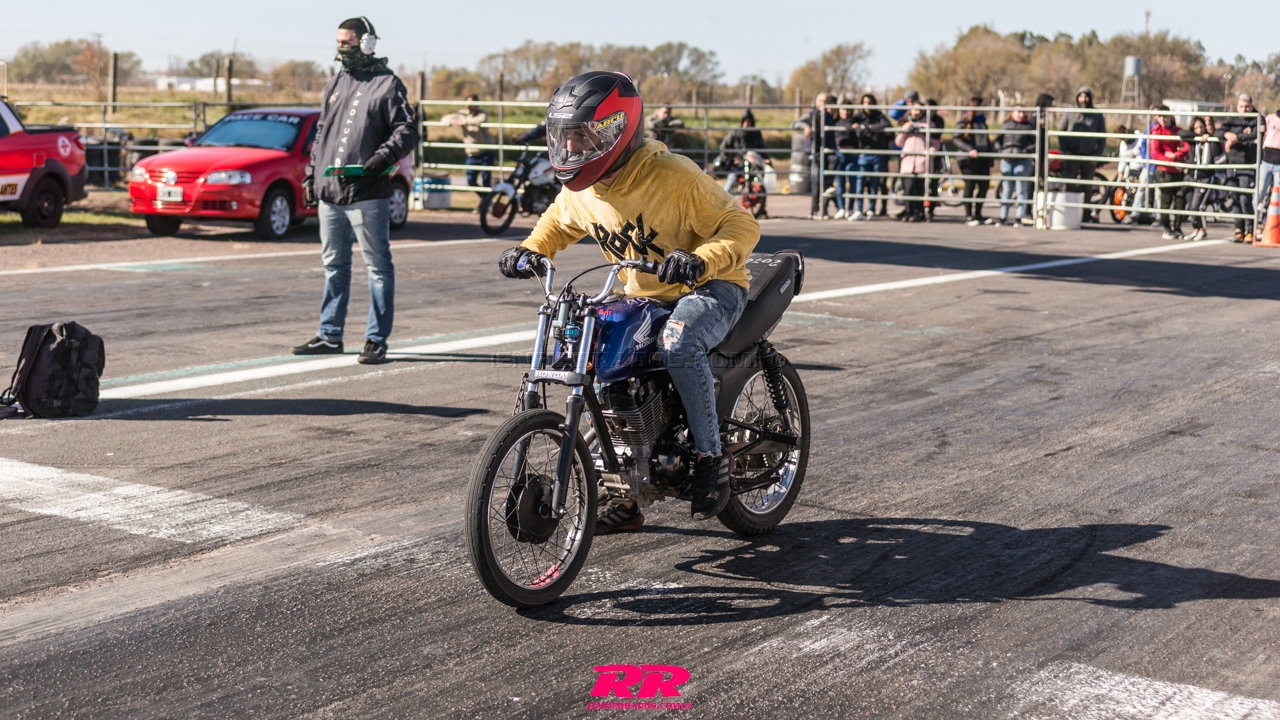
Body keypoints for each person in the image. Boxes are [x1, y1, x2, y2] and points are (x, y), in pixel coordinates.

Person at [498, 71, 759, 533]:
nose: (570, 147)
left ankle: (710, 455)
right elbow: (556, 223)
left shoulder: (675, 177)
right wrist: (530, 250)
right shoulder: (583, 190)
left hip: (711, 287)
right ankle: (625, 492)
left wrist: (700, 260)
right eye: (564, 136)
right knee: (598, 351)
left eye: (581, 136)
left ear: (616, 130)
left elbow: (742, 225)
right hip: (643, 294)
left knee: (679, 342)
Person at [294, 17, 418, 364]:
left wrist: (383, 158)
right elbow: (321, 134)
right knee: (334, 264)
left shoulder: (388, 84)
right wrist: (310, 176)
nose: (341, 49)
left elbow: (407, 130)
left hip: (367, 192)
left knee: (377, 267)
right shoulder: (336, 81)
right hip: (330, 192)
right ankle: (329, 335)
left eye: (347, 43)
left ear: (367, 44)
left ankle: (376, 340)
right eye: (338, 42)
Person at [1216, 94, 1261, 242]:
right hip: (1232, 164)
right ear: (1237, 107)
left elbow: (1255, 134)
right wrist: (1227, 134)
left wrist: (1235, 138)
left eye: (1247, 106)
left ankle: (1250, 229)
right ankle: (1238, 229)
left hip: (1247, 165)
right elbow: (1218, 132)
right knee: (1234, 197)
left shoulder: (1257, 118)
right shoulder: (1232, 119)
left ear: (1252, 105)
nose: (1244, 109)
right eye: (1241, 106)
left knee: (1245, 198)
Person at [1058, 87, 1107, 221]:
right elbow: (1061, 131)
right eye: (1081, 96)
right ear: (1077, 97)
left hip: (1089, 155)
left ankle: (1085, 213)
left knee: (1087, 185)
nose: (1083, 99)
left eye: (1086, 97)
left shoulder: (1096, 114)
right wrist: (1065, 150)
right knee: (1070, 183)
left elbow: (1102, 136)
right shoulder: (1070, 112)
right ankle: (1068, 212)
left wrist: (1097, 154)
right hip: (1072, 154)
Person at [1149, 105, 1191, 240]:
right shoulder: (1156, 132)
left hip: (1178, 170)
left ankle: (1177, 226)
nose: (1163, 119)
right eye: (1161, 116)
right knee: (1165, 200)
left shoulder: (1177, 131)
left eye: (1166, 116)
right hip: (1164, 171)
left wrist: (1176, 156)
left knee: (1180, 199)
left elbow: (1186, 146)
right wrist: (1172, 161)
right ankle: (1167, 228)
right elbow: (1156, 153)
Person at [848, 94, 890, 220]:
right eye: (865, 102)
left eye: (869, 102)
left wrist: (870, 128)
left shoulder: (878, 115)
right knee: (860, 182)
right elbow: (847, 122)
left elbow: (886, 124)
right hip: (863, 153)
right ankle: (859, 209)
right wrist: (856, 126)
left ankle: (871, 209)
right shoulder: (859, 116)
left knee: (875, 183)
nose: (867, 105)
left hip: (877, 153)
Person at [952, 96, 993, 226]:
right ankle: (969, 215)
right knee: (970, 185)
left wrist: (990, 155)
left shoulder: (983, 122)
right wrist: (969, 149)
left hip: (982, 158)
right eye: (982, 106)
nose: (984, 109)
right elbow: (956, 139)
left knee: (984, 186)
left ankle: (978, 214)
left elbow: (986, 140)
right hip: (968, 159)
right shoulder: (964, 121)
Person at [796, 93, 837, 218]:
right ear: (816, 102)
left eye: (825, 101)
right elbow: (795, 123)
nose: (822, 104)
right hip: (814, 153)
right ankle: (814, 210)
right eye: (820, 101)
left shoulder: (830, 116)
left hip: (827, 152)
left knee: (827, 182)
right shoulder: (811, 115)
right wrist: (806, 126)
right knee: (816, 182)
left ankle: (824, 209)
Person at [441, 95, 495, 188]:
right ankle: (485, 196)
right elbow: (444, 120)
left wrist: (463, 121)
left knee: (486, 181)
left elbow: (480, 120)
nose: (472, 107)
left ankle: (486, 197)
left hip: (486, 151)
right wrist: (451, 122)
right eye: (469, 105)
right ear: (465, 105)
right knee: (470, 180)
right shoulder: (462, 114)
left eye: (474, 105)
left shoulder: (482, 113)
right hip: (472, 153)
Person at [1185, 117, 1222, 241]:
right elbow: (1181, 133)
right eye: (1196, 128)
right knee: (1191, 206)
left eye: (1201, 127)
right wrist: (1196, 137)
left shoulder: (1211, 139)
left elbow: (1217, 151)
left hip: (1204, 177)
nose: (1199, 130)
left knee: (1197, 206)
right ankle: (1196, 229)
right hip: (1191, 176)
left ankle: (1203, 230)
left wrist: (1209, 138)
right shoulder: (1192, 139)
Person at [997, 107, 1036, 226]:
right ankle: (1003, 216)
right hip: (1007, 160)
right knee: (1007, 189)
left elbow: (1034, 143)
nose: (1021, 114)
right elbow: (997, 141)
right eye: (1018, 112)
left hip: (1022, 161)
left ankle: (1019, 217)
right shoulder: (1005, 126)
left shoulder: (1028, 127)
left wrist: (1025, 151)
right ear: (1012, 113)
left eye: (1023, 112)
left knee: (1021, 189)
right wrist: (1000, 151)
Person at [717, 109, 766, 193]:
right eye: (745, 121)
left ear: (752, 123)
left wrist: (766, 159)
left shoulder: (756, 134)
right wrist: (730, 160)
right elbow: (724, 147)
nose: (747, 124)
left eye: (749, 121)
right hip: (738, 165)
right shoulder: (735, 133)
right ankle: (722, 198)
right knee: (732, 180)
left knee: (759, 182)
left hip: (752, 166)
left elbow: (762, 148)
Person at [895, 104, 930, 222]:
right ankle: (908, 211)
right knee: (908, 188)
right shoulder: (905, 123)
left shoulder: (928, 124)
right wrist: (905, 128)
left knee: (919, 189)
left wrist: (923, 127)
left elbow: (934, 141)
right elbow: (898, 142)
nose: (917, 112)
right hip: (908, 161)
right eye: (915, 109)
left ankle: (918, 212)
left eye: (920, 109)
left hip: (921, 160)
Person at [831, 101, 859, 218]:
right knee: (840, 184)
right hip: (839, 155)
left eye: (848, 109)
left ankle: (851, 209)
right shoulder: (835, 122)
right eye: (843, 109)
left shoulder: (854, 122)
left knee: (853, 183)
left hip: (852, 155)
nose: (845, 112)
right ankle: (841, 208)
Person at [1257, 106, 1280, 230]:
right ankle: (1253, 225)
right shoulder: (1270, 118)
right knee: (1259, 194)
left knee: (1277, 196)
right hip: (1266, 161)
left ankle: (1274, 227)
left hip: (1279, 166)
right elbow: (1262, 137)